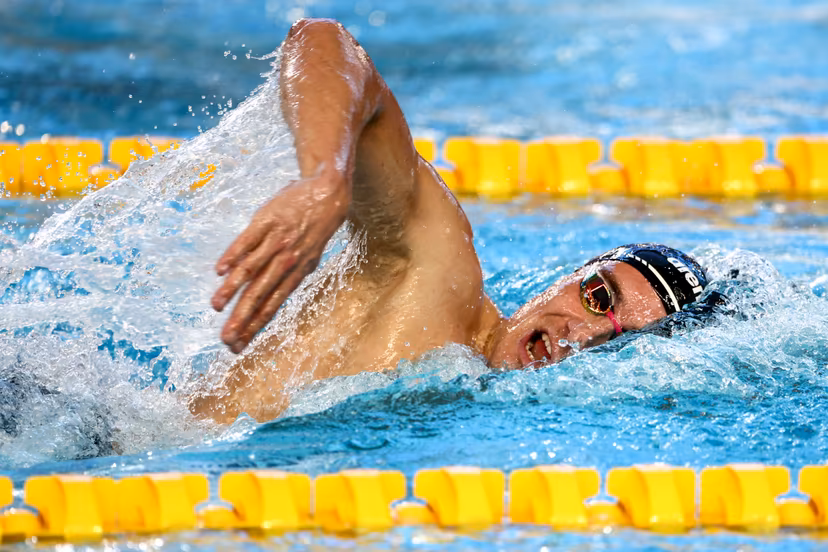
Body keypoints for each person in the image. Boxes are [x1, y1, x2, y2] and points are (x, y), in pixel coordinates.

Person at [188, 18, 710, 424]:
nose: (583, 334)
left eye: (621, 342)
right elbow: (325, 42)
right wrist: (325, 178)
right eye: (599, 297)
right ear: (574, 275)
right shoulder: (435, 269)